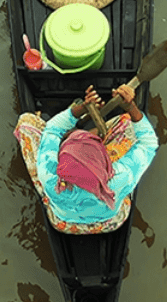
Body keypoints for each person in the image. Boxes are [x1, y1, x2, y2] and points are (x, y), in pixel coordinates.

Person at [14, 84, 159, 234]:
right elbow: (149, 143)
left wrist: (81, 109)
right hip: (110, 222)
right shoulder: (119, 179)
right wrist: (131, 107)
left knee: (26, 122)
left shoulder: (50, 177)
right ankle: (92, 137)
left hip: (65, 224)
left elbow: (52, 130)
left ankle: (79, 137)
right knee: (128, 121)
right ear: (104, 158)